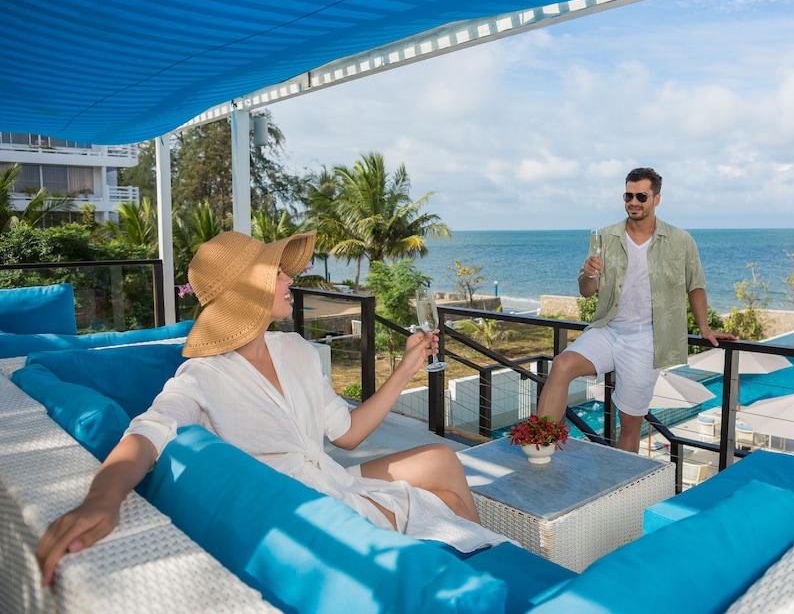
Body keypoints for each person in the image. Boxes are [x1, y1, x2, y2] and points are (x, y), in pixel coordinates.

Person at [36, 230, 507, 586]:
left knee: (441, 458)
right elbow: (146, 434)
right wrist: (102, 498)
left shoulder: (295, 349)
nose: (290, 279)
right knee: (446, 509)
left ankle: (484, 571)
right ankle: (475, 578)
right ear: (248, 288)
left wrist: (406, 366)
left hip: (330, 474)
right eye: (277, 273)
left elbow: (346, 435)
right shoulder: (203, 377)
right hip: (303, 503)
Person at [536, 168, 736, 452]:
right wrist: (589, 274)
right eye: (628, 196)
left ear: (657, 199)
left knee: (629, 424)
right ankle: (542, 448)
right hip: (608, 329)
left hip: (648, 340)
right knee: (562, 365)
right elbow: (586, 290)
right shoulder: (606, 236)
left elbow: (696, 286)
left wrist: (704, 328)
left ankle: (621, 478)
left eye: (641, 196)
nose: (633, 202)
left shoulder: (680, 240)